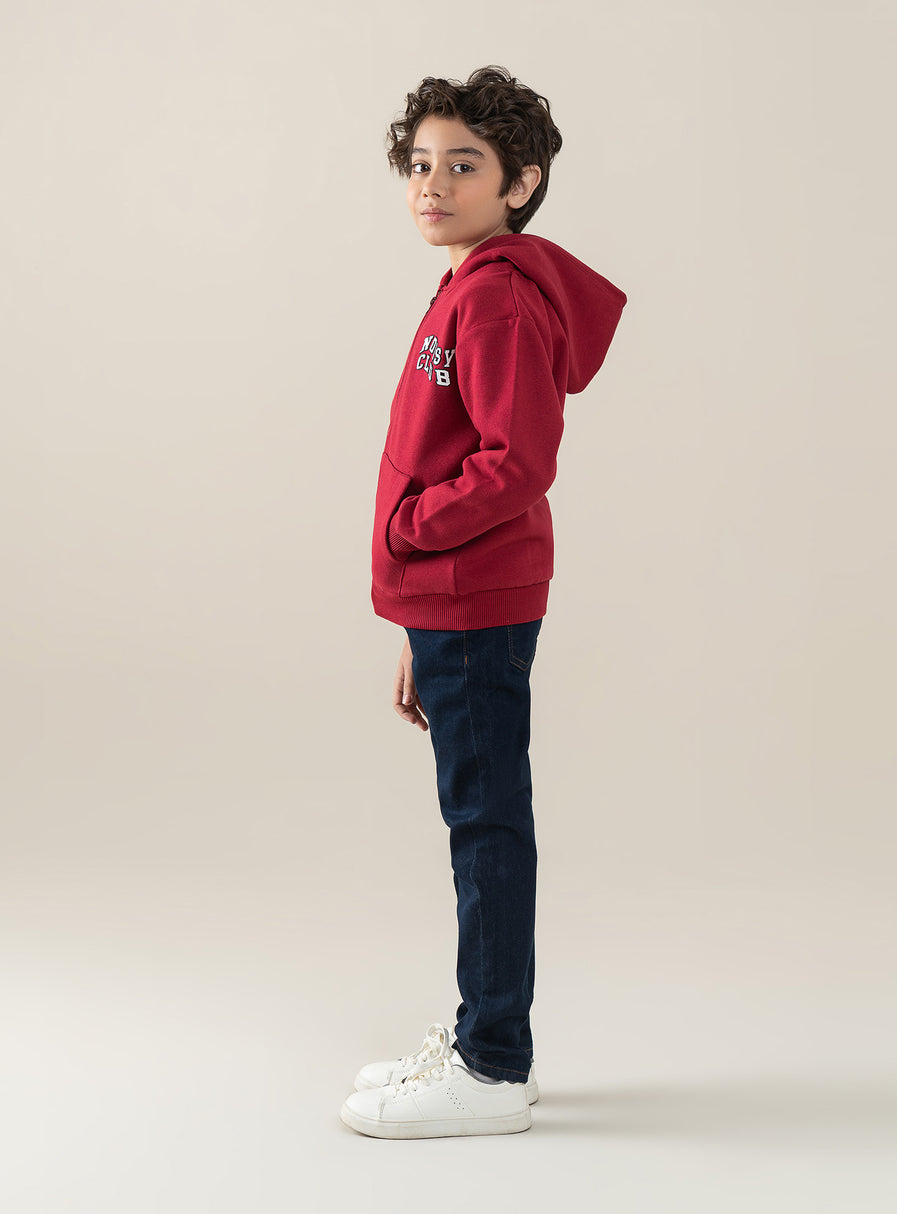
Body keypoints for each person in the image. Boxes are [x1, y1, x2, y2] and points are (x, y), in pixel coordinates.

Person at [340, 65, 627, 1140]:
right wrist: (419, 621)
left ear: (521, 182)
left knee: (486, 824)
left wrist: (413, 532)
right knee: (482, 816)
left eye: (463, 165)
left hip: (473, 590)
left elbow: (515, 462)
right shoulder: (470, 281)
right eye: (421, 164)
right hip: (456, 604)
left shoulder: (498, 294)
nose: (432, 184)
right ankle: (483, 1039)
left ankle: (492, 1065)